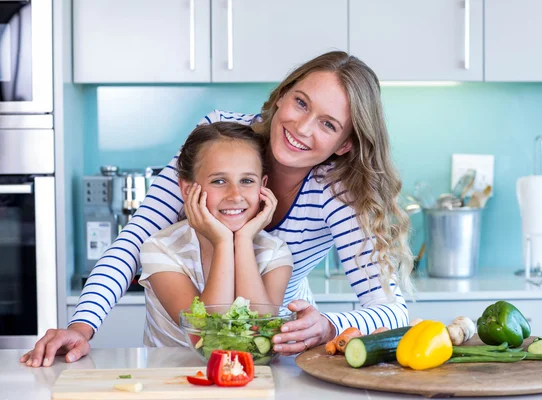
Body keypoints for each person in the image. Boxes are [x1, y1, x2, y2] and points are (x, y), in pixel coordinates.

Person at [21, 50, 413, 367]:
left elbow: (391, 310)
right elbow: (134, 241)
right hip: (183, 348)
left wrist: (329, 325)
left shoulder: (338, 190)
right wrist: (83, 324)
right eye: (300, 103)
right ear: (282, 95)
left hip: (269, 347)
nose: (302, 127)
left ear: (345, 144)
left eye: (328, 124)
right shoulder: (221, 136)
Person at [139, 121, 293, 346]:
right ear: (187, 189)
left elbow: (261, 335)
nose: (235, 194)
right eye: (219, 181)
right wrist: (222, 243)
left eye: (247, 181)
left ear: (263, 186)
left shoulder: (274, 252)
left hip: (250, 376)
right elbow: (207, 337)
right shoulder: (161, 249)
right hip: (170, 375)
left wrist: (242, 241)